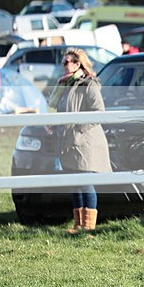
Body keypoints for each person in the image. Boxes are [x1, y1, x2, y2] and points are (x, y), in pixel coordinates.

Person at [48, 48, 112, 234]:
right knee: (74, 182)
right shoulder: (65, 85)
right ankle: (78, 225)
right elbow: (56, 107)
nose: (66, 65)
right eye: (64, 62)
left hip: (85, 143)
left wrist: (77, 130)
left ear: (80, 64)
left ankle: (89, 227)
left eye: (70, 62)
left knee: (85, 182)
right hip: (67, 141)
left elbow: (98, 112)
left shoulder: (89, 84)